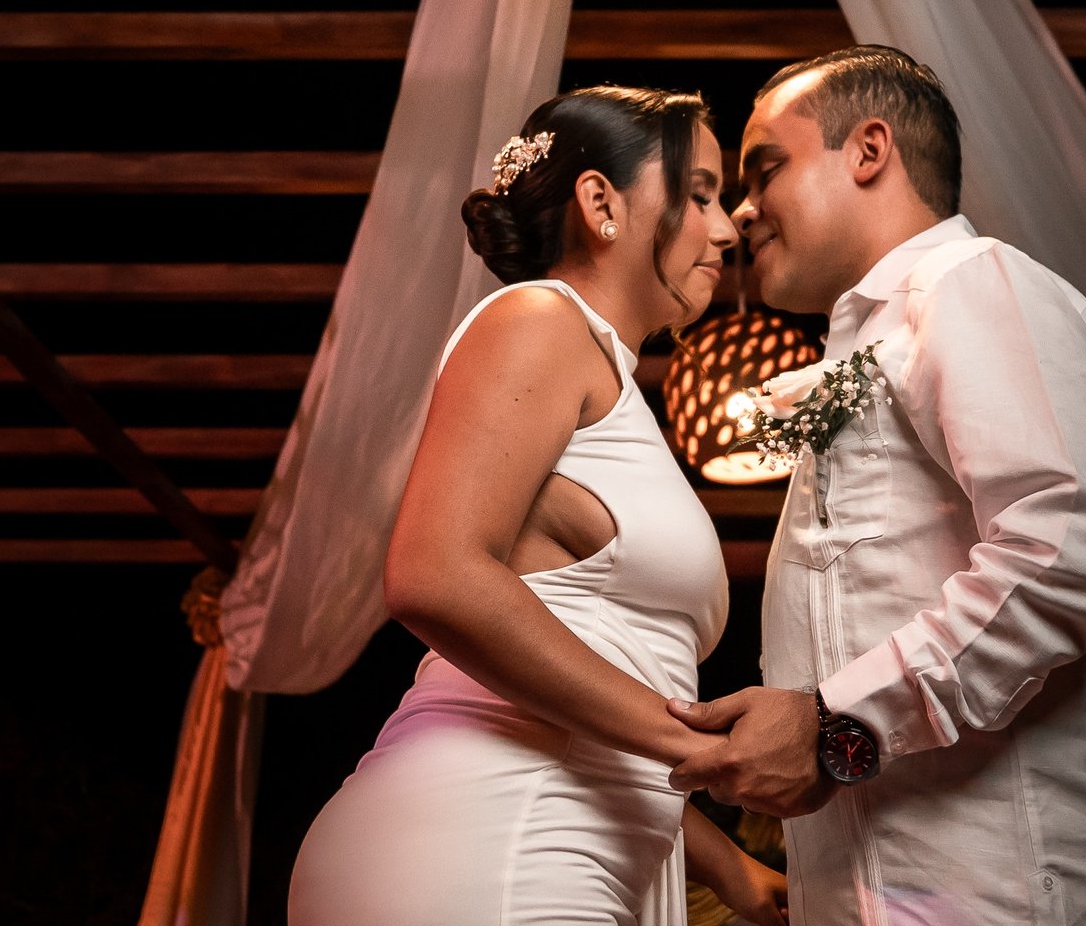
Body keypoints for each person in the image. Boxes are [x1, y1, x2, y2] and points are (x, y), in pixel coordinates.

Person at [668, 47, 1086, 924]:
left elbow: (1071, 545)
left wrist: (839, 728)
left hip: (1012, 892)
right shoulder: (864, 346)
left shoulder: (968, 280)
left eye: (765, 168)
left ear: (869, 151)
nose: (742, 210)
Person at [289, 86, 788, 926]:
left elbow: (583, 701)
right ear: (601, 204)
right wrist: (708, 751)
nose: (729, 226)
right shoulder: (540, 320)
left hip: (533, 836)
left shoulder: (606, 381)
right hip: (489, 839)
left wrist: (729, 866)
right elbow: (434, 574)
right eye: (699, 193)